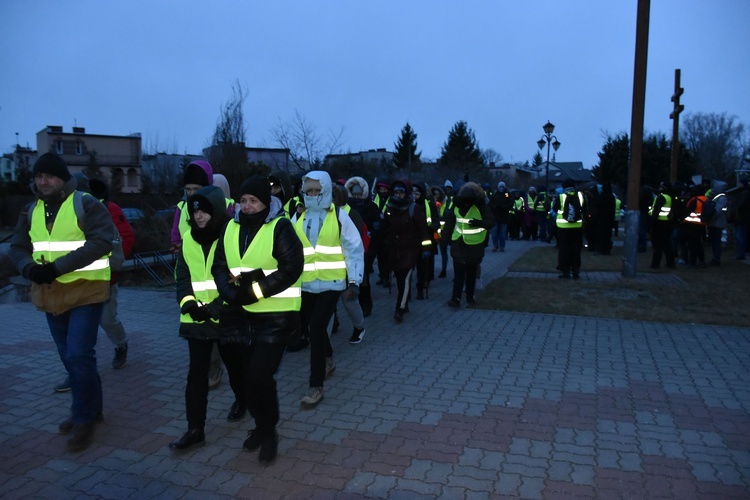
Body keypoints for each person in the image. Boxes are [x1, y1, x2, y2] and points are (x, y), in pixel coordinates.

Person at [10, 153, 113, 452]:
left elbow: (102, 241)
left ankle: (82, 419)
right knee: (71, 358)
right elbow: (18, 247)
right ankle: (92, 410)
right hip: (51, 294)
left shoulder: (85, 203)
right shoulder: (31, 210)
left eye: (50, 176)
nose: (43, 181)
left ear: (63, 178)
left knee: (79, 354)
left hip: (85, 291)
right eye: (39, 176)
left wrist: (57, 268)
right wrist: (29, 269)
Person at [210, 177, 303, 463]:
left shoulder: (280, 226)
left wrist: (255, 291)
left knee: (259, 376)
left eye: (254, 201)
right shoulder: (230, 226)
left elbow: (291, 268)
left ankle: (268, 430)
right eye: (244, 200)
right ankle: (261, 426)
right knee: (248, 381)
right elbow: (220, 265)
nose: (248, 206)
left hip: (275, 316)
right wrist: (229, 293)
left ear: (266, 202)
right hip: (240, 313)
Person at [169, 185, 247, 451]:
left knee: (236, 367)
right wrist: (189, 304)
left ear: (215, 210)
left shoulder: (231, 236)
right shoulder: (188, 238)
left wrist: (214, 308)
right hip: (196, 320)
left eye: (204, 210)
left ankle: (242, 400)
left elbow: (237, 280)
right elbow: (182, 277)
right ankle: (195, 429)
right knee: (196, 375)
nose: (199, 215)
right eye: (195, 210)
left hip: (225, 317)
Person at [293, 171, 364, 408]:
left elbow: (354, 249)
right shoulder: (298, 217)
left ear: (326, 192)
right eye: (309, 191)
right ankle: (329, 359)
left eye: (317, 191)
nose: (313, 195)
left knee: (316, 327)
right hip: (306, 283)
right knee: (315, 326)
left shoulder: (340, 217)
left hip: (332, 283)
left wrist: (354, 281)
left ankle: (316, 385)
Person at [171, 160, 231, 390]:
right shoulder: (182, 208)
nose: (191, 195)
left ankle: (228, 376)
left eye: (196, 190)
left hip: (221, 294)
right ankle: (211, 369)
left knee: (227, 348)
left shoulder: (225, 206)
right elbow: (176, 235)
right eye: (188, 190)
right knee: (201, 351)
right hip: (193, 278)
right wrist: (178, 245)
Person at [383, 180, 432, 321]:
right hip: (394, 249)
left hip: (410, 249)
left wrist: (426, 248)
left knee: (404, 278)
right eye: (396, 192)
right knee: (399, 279)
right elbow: (386, 228)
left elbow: (423, 230)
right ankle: (404, 302)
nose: (399, 195)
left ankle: (400, 308)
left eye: (401, 192)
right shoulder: (390, 208)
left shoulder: (413, 209)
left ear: (407, 193)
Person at [443, 182, 494, 307]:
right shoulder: (456, 205)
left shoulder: (481, 206)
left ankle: (470, 297)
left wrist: (480, 223)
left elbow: (491, 222)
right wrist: (445, 239)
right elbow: (449, 223)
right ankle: (455, 299)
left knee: (471, 273)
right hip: (458, 243)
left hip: (475, 244)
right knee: (459, 274)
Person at [332, 183, 367, 343]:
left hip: (345, 268)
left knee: (349, 301)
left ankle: (359, 327)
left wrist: (354, 276)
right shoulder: (318, 215)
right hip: (327, 270)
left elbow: (355, 245)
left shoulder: (350, 214)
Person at [553, 179, 586, 279]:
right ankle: (576, 271)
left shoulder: (561, 197)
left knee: (564, 250)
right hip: (577, 228)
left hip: (563, 228)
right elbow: (585, 210)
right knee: (576, 250)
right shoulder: (580, 196)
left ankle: (565, 271)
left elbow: (555, 209)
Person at [412, 183, 440, 300]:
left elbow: (436, 221)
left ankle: (421, 287)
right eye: (413, 193)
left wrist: (429, 228)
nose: (415, 196)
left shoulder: (429, 205)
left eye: (417, 193)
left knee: (423, 265)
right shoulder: (409, 205)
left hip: (426, 238)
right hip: (411, 239)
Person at [649, 181, 676, 269]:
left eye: (661, 187)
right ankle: (670, 263)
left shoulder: (661, 197)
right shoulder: (670, 197)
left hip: (659, 223)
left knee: (658, 245)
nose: (659, 188)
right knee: (667, 244)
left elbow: (656, 211)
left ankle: (655, 264)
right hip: (667, 223)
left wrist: (651, 223)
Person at [682, 185, 707, 267]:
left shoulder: (694, 200)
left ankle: (692, 262)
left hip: (691, 225)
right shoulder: (706, 199)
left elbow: (687, 212)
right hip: (702, 225)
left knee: (692, 244)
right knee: (699, 244)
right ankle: (701, 260)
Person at [706, 181, 728, 265]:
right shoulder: (715, 197)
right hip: (713, 222)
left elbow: (718, 210)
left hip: (718, 222)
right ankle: (715, 257)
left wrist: (711, 215)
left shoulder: (722, 198)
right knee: (714, 241)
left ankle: (716, 259)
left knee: (716, 241)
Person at [437, 180, 455, 278]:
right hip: (441, 232)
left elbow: (451, 216)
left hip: (451, 231)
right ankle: (443, 269)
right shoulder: (437, 203)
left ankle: (456, 272)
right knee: (443, 252)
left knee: (454, 253)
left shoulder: (451, 202)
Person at [488, 181, 512, 252]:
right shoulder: (495, 194)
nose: (501, 188)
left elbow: (510, 202)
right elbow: (490, 203)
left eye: (502, 187)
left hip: (504, 217)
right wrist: (495, 207)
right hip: (495, 216)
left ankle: (502, 246)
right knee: (494, 232)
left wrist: (504, 207)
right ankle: (495, 245)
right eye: (500, 187)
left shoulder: (507, 194)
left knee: (503, 233)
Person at [594, 183, 616, 255]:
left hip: (602, 218)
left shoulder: (602, 196)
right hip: (609, 218)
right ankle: (607, 249)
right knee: (607, 235)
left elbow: (597, 203)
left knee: (602, 234)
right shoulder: (612, 196)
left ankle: (602, 249)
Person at [732, 176, 750, 260]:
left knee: (740, 237)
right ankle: (741, 252)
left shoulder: (745, 193)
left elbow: (741, 205)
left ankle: (741, 253)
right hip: (742, 218)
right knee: (740, 236)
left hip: (742, 218)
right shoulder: (743, 192)